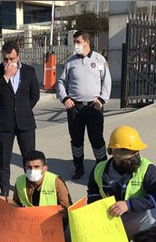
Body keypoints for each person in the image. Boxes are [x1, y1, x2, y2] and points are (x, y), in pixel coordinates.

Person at [88, 126, 156, 242]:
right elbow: (93, 195)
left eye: (137, 153)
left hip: (132, 218)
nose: (136, 158)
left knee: (155, 215)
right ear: (115, 152)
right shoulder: (99, 169)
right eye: (131, 154)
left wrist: (129, 205)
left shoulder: (147, 168)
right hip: (108, 220)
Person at [56, 30, 112, 181]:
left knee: (97, 139)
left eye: (78, 42)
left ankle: (102, 168)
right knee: (76, 140)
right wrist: (64, 98)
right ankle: (78, 167)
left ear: (87, 42)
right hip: (75, 107)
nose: (76, 45)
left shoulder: (99, 60)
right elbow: (60, 82)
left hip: (94, 107)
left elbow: (107, 81)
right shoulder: (70, 62)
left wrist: (101, 100)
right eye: (74, 42)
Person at [0, 40, 40, 197]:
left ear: (18, 56)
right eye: (6, 59)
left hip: (25, 122)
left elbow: (34, 95)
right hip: (5, 123)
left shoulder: (29, 71)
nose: (9, 62)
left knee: (29, 159)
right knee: (4, 159)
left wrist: (23, 109)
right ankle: (4, 190)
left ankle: (31, 189)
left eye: (12, 59)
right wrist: (6, 77)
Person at [0, 150, 72, 210]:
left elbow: (67, 207)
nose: (32, 170)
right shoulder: (20, 181)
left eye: (36, 167)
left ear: (45, 168)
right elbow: (17, 204)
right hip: (30, 221)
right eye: (29, 167)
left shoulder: (56, 181)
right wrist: (5, 200)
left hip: (53, 222)